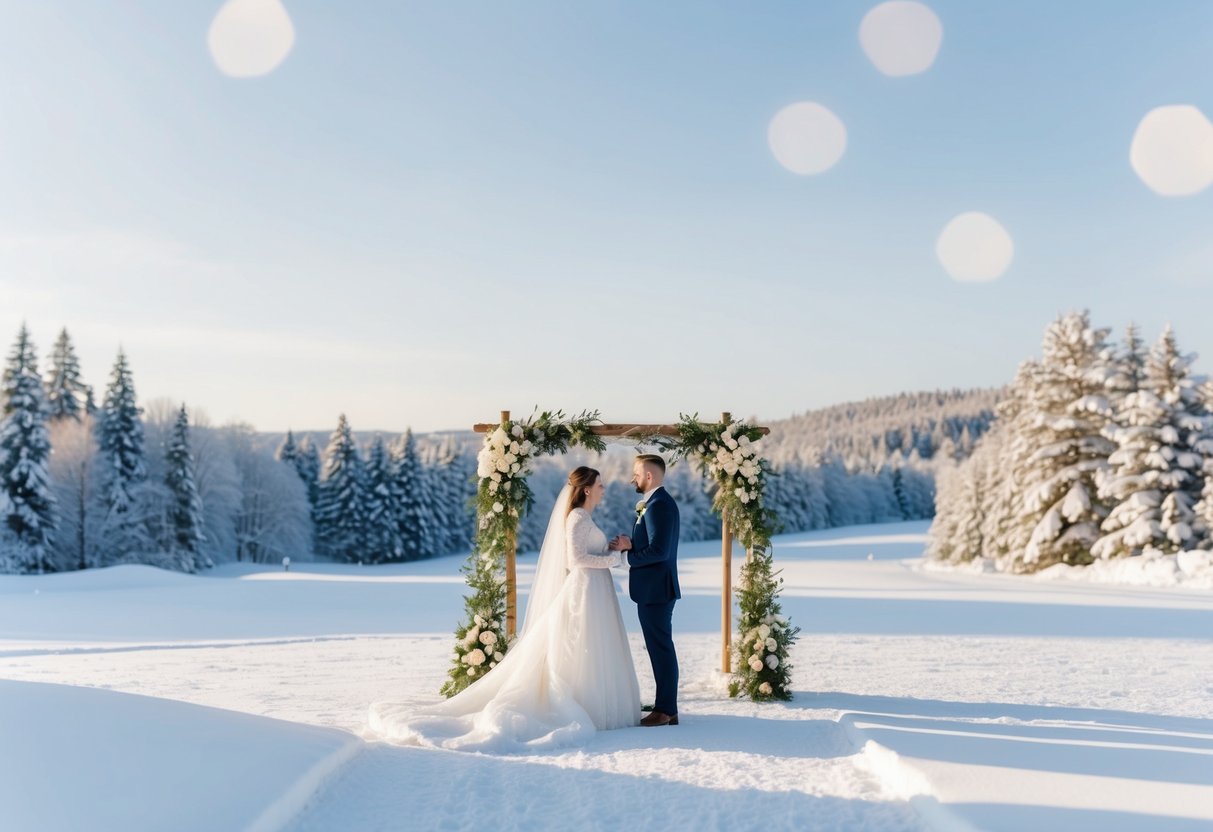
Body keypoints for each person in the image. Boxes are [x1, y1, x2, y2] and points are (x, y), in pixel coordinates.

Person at [368, 466, 640, 752]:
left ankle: (598, 704)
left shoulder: (584, 517)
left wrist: (613, 551)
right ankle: (587, 705)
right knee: (579, 647)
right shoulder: (577, 518)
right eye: (599, 484)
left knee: (592, 648)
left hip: (593, 591)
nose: (603, 489)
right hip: (583, 591)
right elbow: (576, 559)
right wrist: (613, 558)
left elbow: (587, 555)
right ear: (586, 489)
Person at [610, 454, 681, 727]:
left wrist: (627, 557)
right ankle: (666, 705)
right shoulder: (653, 504)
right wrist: (631, 544)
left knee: (661, 648)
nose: (633, 478)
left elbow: (660, 551)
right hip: (654, 590)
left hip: (657, 591)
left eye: (636, 474)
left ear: (649, 476)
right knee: (658, 647)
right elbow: (652, 545)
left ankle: (666, 710)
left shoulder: (658, 505)